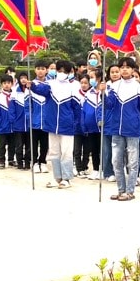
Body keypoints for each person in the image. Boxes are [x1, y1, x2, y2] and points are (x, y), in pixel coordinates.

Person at [30, 59, 82, 188]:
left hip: (67, 125)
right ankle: (57, 177)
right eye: (59, 70)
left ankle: (67, 178)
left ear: (70, 72)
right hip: (52, 124)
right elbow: (39, 90)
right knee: (54, 152)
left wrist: (75, 124)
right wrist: (31, 85)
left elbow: (77, 108)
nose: (61, 73)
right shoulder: (50, 84)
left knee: (66, 152)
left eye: (65, 71)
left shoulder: (74, 86)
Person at [104, 58, 140, 201]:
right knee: (116, 161)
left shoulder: (138, 88)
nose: (124, 69)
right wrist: (104, 93)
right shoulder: (114, 87)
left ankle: (130, 191)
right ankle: (120, 189)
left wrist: (139, 124)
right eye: (122, 67)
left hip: (133, 130)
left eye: (128, 67)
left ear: (133, 70)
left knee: (132, 162)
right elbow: (109, 105)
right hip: (116, 129)